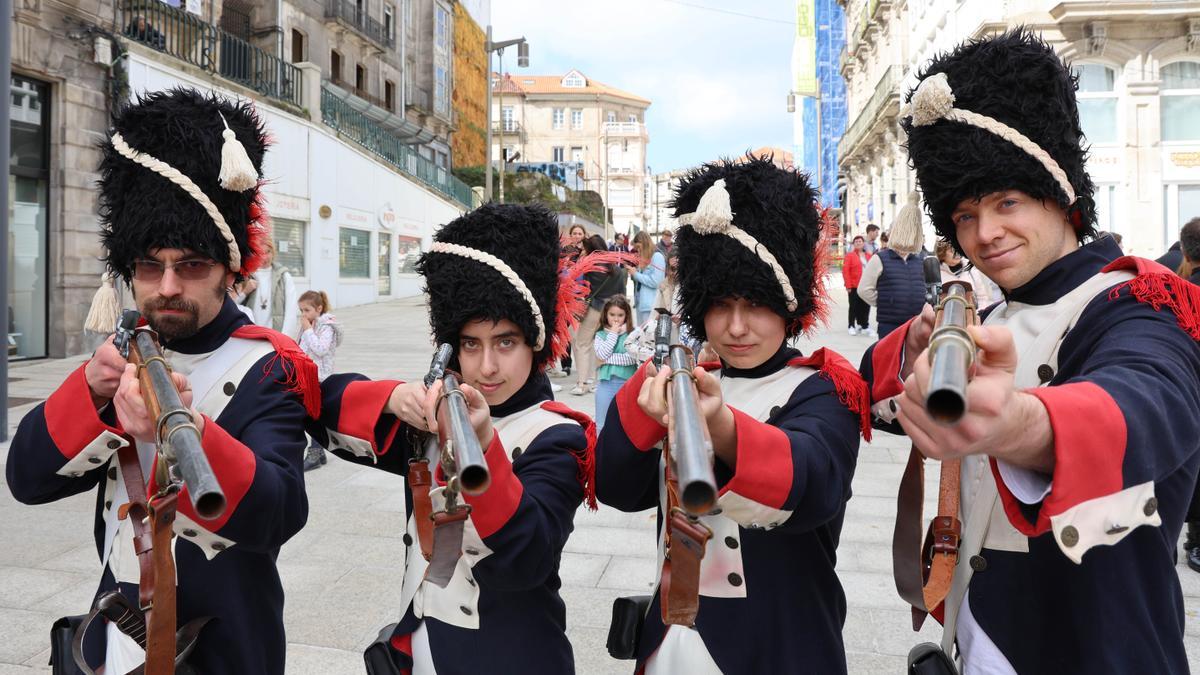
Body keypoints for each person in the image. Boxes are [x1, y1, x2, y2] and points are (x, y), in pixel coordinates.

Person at [860, 30, 1200, 673]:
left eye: (1006, 202)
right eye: (963, 214)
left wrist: (1016, 421)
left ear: (1061, 192)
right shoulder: (990, 312)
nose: (984, 233)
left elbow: (1146, 397)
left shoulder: (1144, 304)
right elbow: (859, 387)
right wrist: (915, 342)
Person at [6, 89, 318, 674]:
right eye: (150, 266)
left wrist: (189, 431)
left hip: (225, 651)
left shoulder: (270, 366)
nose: (167, 287)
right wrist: (92, 394)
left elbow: (281, 512)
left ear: (230, 269)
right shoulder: (119, 357)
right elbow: (25, 480)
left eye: (191, 265)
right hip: (115, 641)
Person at [595, 157, 870, 673]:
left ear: (788, 305)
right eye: (720, 304)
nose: (737, 326)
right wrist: (647, 399)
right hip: (671, 646)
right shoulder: (688, 379)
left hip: (779, 646)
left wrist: (718, 426)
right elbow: (615, 485)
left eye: (757, 303)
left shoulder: (826, 388)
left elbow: (811, 485)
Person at [311, 202, 605, 673]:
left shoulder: (559, 434)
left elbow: (527, 558)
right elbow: (318, 407)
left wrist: (484, 445)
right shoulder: (433, 415)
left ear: (534, 340)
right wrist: (394, 398)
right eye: (471, 344)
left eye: (505, 342)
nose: (487, 366)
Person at [858, 194, 926, 338]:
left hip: (918, 322)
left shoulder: (920, 259)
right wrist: (886, 301)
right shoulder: (880, 258)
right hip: (890, 325)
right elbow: (864, 290)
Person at [571, 235, 628, 396]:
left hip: (594, 310)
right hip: (610, 312)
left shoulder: (590, 267)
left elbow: (578, 284)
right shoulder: (615, 269)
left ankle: (582, 383)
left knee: (583, 344)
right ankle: (598, 381)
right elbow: (622, 293)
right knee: (602, 346)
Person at [297, 289, 343, 471]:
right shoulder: (311, 323)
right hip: (306, 375)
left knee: (314, 414)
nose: (303, 315)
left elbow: (321, 349)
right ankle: (318, 452)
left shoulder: (326, 326)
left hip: (320, 377)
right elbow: (302, 347)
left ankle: (315, 453)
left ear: (319, 308)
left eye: (306, 310)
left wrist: (308, 330)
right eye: (301, 310)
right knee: (309, 413)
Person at [592, 295, 638, 432]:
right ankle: (601, 452)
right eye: (612, 314)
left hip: (628, 384)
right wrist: (613, 334)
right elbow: (602, 354)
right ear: (606, 314)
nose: (616, 319)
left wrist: (606, 360)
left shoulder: (633, 333)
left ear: (627, 315)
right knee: (602, 424)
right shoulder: (601, 334)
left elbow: (631, 358)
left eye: (620, 315)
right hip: (606, 384)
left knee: (627, 425)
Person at [935, 239, 994, 307]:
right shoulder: (937, 275)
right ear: (942, 253)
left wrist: (979, 313)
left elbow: (982, 297)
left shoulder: (971, 269)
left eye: (957, 250)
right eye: (952, 251)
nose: (956, 254)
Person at [630, 230, 667, 325]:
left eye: (638, 247)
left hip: (651, 305)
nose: (638, 250)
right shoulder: (645, 257)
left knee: (649, 337)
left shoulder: (657, 256)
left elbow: (656, 282)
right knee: (640, 336)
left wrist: (636, 275)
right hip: (640, 304)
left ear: (645, 243)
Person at [842, 234, 873, 335]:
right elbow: (845, 271)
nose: (858, 243)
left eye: (860, 241)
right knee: (853, 306)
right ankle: (851, 325)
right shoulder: (850, 256)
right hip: (854, 286)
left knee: (865, 306)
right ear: (854, 244)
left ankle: (864, 325)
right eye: (856, 242)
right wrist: (848, 286)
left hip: (866, 286)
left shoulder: (869, 255)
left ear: (863, 243)